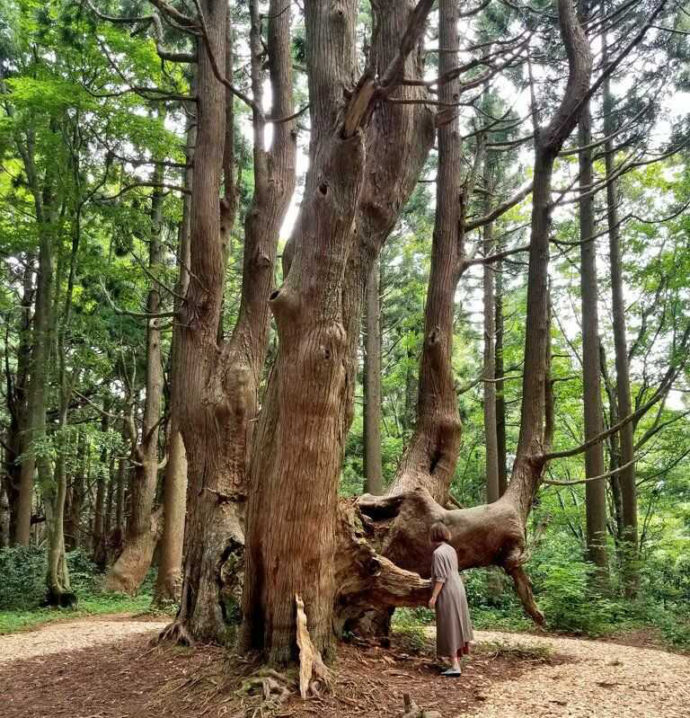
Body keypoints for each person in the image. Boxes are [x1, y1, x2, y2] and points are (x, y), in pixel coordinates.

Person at [428, 521, 473, 676]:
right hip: (458, 587)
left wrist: (433, 597)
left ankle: (454, 666)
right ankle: (456, 662)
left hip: (447, 590)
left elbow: (441, 578)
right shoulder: (451, 549)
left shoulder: (438, 553)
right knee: (457, 622)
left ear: (433, 535)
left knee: (449, 625)